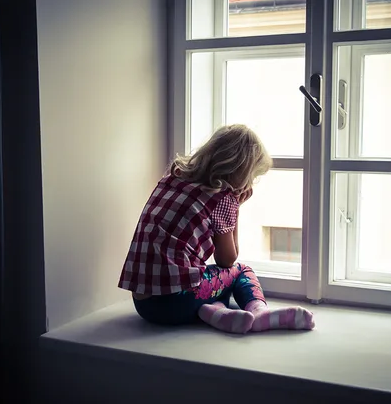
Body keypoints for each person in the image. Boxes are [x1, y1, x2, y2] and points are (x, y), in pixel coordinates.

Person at [118, 124, 315, 334]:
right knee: (240, 271)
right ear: (242, 172)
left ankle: (217, 313)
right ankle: (258, 311)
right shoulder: (222, 198)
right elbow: (227, 259)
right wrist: (236, 208)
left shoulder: (171, 179)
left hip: (144, 305)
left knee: (208, 278)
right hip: (175, 303)